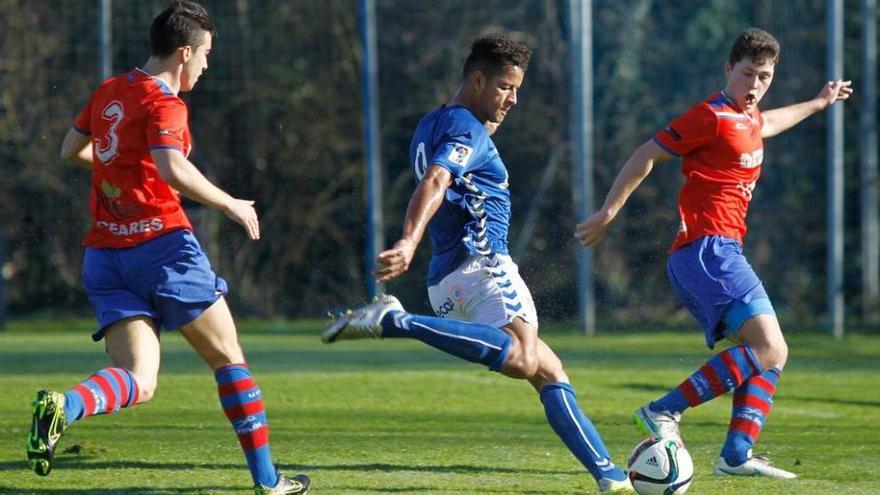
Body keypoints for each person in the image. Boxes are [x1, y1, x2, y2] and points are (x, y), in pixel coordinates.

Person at [322, 33, 636, 495]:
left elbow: (452, 164)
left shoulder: (435, 123)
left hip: (447, 280)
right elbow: (436, 179)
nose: (514, 99)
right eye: (506, 87)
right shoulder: (466, 128)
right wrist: (408, 240)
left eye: (518, 89)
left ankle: (610, 477)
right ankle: (398, 321)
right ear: (477, 79)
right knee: (525, 356)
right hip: (482, 264)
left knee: (549, 370)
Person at [27, 2, 310, 493]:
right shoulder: (167, 103)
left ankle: (64, 406)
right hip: (164, 250)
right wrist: (232, 205)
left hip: (104, 256)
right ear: (183, 53)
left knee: (138, 377)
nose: (206, 66)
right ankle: (269, 482)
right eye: (205, 56)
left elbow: (70, 151)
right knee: (229, 360)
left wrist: (121, 171)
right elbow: (172, 167)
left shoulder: (110, 89)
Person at [575, 27, 852, 479]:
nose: (756, 84)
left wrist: (820, 102)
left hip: (722, 250)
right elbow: (646, 153)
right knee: (769, 346)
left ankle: (737, 454)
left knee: (771, 353)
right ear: (728, 69)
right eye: (748, 74)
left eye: (764, 76)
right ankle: (662, 411)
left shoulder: (750, 118)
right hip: (706, 249)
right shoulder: (711, 116)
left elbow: (772, 121)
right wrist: (609, 210)